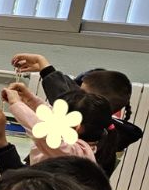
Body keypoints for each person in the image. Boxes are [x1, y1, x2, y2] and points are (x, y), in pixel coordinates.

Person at [11, 53, 142, 153]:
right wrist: (30, 97)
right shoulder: (102, 129)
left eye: (81, 93)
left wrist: (16, 104)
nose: (74, 96)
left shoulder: (76, 145)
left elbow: (62, 103)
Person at [2, 81, 120, 174]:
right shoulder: (80, 143)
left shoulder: (75, 152)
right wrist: (29, 98)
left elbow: (42, 131)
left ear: (76, 127)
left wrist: (16, 103)